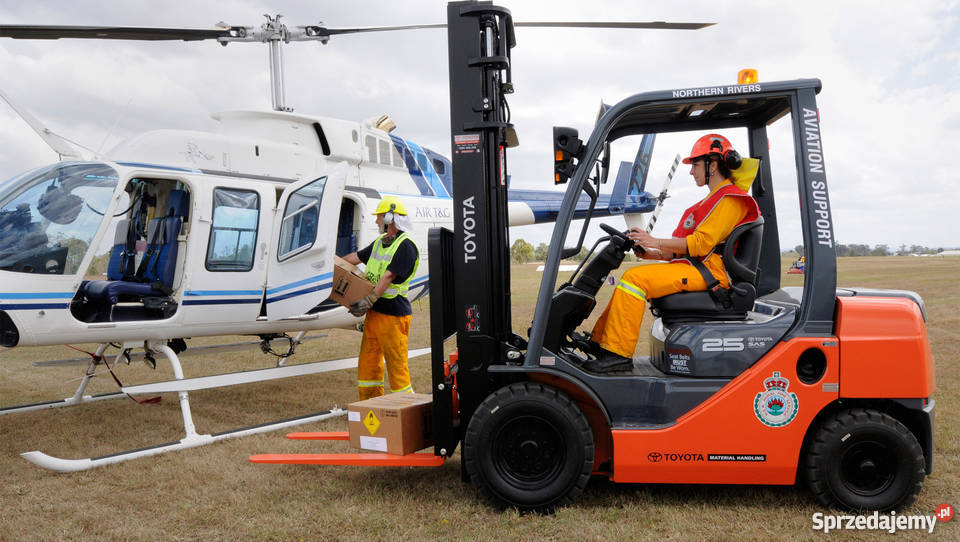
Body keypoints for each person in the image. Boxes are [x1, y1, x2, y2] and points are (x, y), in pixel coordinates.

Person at [590, 134, 760, 362]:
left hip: (713, 274)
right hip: (698, 268)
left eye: (695, 165)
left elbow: (700, 244)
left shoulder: (730, 200)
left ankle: (616, 354)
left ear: (713, 165)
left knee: (634, 279)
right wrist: (650, 252)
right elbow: (680, 251)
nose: (691, 171)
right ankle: (600, 342)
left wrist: (654, 241)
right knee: (630, 278)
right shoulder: (711, 202)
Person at [342, 195, 420, 400]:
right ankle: (371, 405)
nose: (376, 221)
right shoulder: (380, 242)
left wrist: (367, 301)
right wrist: (335, 265)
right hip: (375, 314)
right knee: (368, 364)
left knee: (397, 369)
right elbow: (356, 257)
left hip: (394, 317)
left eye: (379, 217)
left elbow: (388, 276)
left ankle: (406, 408)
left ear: (389, 219)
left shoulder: (406, 246)